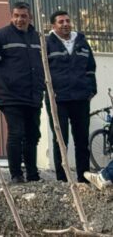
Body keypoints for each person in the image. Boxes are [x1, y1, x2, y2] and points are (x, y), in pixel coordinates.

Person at [0, 2, 46, 184]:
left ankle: (33, 175)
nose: (19, 19)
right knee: (16, 133)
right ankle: (16, 175)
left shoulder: (38, 39)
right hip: (10, 96)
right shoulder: (0, 36)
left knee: (32, 134)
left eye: (23, 16)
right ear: (11, 17)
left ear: (30, 18)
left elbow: (45, 65)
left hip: (33, 95)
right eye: (16, 15)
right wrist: (2, 84)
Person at [45, 10, 98, 183]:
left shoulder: (82, 42)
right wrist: (48, 91)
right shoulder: (47, 43)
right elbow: (41, 70)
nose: (65, 24)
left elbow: (90, 68)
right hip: (58, 99)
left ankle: (84, 177)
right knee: (61, 140)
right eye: (61, 22)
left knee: (82, 139)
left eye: (67, 21)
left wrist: (91, 90)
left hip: (80, 98)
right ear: (53, 25)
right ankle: (62, 179)